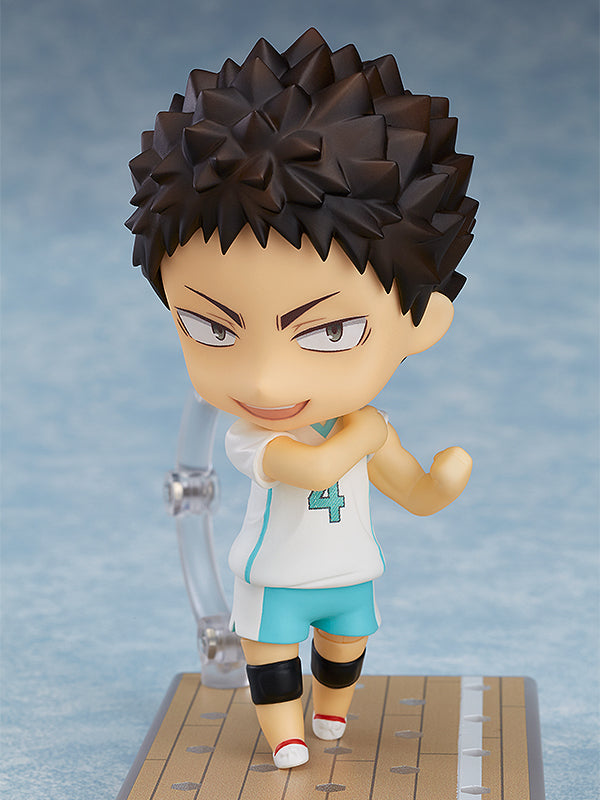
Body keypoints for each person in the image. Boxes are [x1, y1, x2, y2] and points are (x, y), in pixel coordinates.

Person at [126, 27, 477, 769]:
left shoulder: (360, 424)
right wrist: (369, 433)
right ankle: (285, 732)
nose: (264, 383)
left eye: (328, 332)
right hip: (275, 577)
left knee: (347, 646)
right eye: (210, 329)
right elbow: (315, 468)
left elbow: (410, 490)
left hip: (350, 573)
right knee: (271, 652)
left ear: (421, 324)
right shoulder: (256, 436)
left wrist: (439, 484)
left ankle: (331, 712)